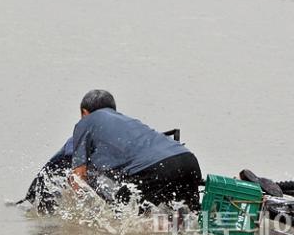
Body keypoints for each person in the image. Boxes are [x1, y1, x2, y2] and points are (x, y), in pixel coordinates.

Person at [68, 90, 202, 211]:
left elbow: (79, 176)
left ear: (84, 113)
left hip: (157, 170)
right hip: (187, 160)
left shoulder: (85, 123)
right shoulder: (129, 123)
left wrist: (79, 213)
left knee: (122, 212)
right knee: (191, 220)